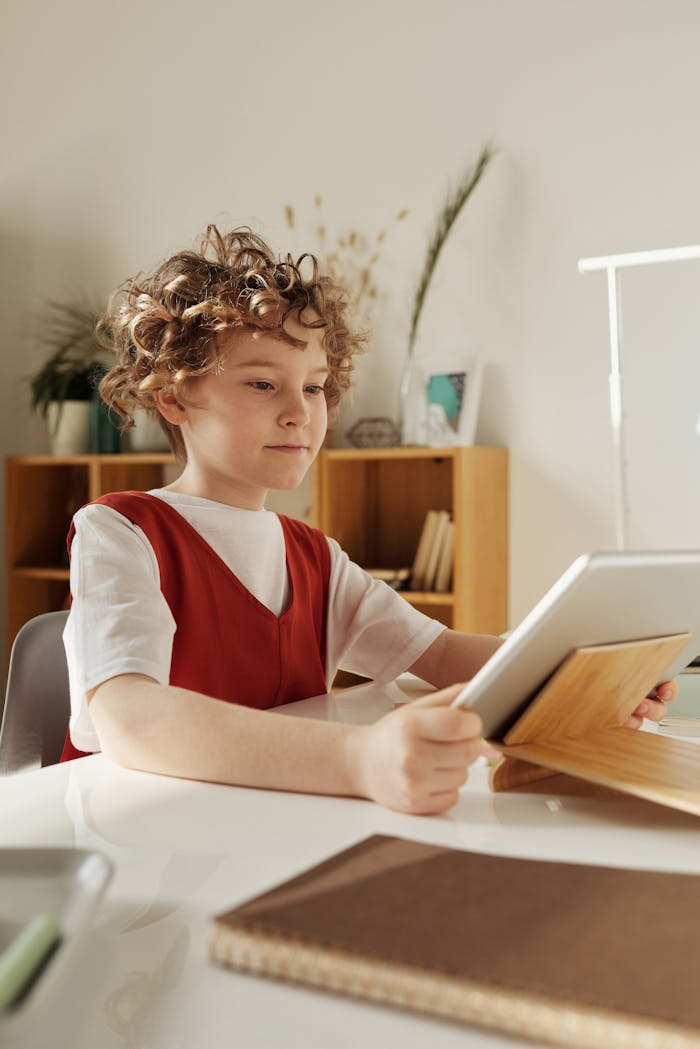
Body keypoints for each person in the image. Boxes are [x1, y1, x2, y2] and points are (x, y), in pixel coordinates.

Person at [61, 225, 676, 814]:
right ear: (172, 396)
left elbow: (443, 655)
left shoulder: (317, 559)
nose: (299, 413)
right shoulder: (120, 532)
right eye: (261, 384)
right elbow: (130, 718)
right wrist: (358, 759)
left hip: (265, 832)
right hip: (140, 849)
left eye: (315, 388)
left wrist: (584, 681)